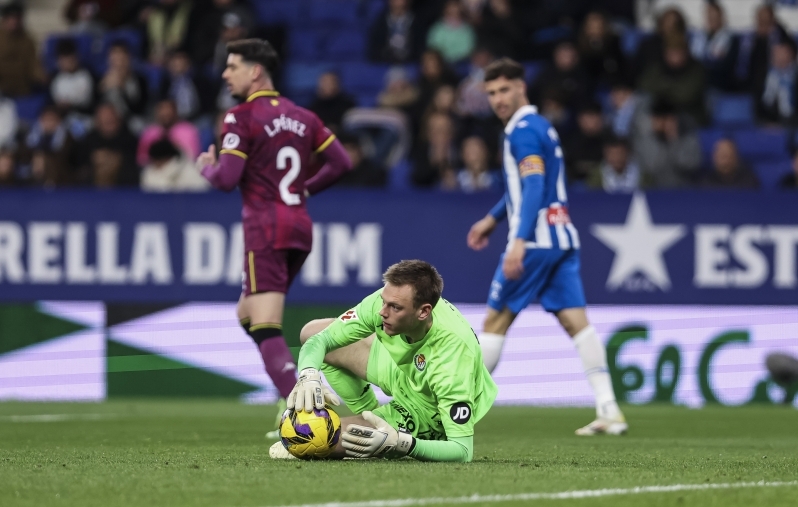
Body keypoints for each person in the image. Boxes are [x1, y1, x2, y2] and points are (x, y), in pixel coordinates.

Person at [196, 39, 352, 438]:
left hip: (265, 229)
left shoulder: (240, 117)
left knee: (265, 324)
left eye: (233, 66)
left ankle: (301, 413)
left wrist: (208, 169)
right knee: (247, 315)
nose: (225, 73)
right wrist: (306, 189)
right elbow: (342, 162)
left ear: (256, 71)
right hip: (299, 226)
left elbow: (227, 179)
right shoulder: (304, 117)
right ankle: (296, 393)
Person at [465, 58, 627, 436]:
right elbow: (524, 186)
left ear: (522, 87)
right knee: (577, 323)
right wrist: (492, 219)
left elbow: (534, 186)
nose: (498, 99)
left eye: (505, 90)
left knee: (494, 322)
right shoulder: (541, 126)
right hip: (563, 236)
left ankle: (455, 413)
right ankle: (610, 409)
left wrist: (518, 240)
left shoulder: (520, 131)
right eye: (491, 93)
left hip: (535, 241)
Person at [269, 260, 498, 462]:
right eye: (383, 301)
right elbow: (321, 340)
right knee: (312, 332)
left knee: (316, 440)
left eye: (395, 307)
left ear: (423, 312)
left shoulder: (453, 359)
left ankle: (384, 425)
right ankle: (369, 413)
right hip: (397, 368)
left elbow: (461, 450)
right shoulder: (386, 303)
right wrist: (309, 374)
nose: (382, 312)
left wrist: (402, 443)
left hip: (427, 408)